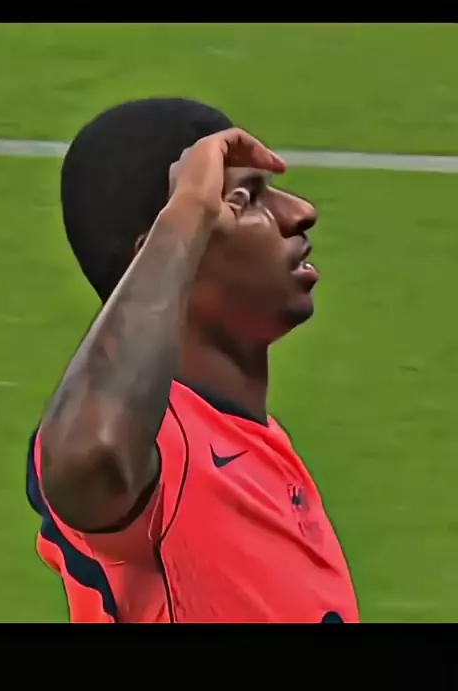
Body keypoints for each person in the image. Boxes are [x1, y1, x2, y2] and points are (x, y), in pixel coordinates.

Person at [26, 97, 359, 623]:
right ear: (164, 253)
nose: (300, 212)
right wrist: (189, 210)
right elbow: (90, 461)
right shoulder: (156, 444)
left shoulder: (251, 441)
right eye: (245, 199)